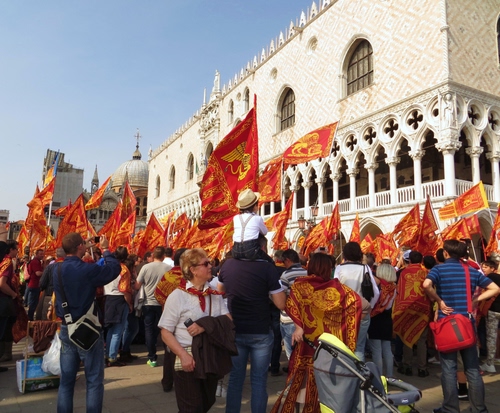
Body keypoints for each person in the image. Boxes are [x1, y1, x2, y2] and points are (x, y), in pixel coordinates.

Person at [272, 253, 365, 413]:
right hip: (329, 348)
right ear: (328, 269)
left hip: (307, 344)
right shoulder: (339, 289)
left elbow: (291, 305)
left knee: (301, 383)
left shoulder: (300, 285)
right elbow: (359, 303)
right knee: (325, 380)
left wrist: (299, 326)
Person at [423, 239, 500, 413]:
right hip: (467, 324)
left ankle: (450, 408)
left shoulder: (438, 269)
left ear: (446, 253)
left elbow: (426, 285)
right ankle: (479, 408)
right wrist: (475, 300)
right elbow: (495, 288)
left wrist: (439, 300)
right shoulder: (471, 271)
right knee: (472, 369)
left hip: (447, 324)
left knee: (449, 369)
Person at [159, 248, 234, 413]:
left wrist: (204, 325)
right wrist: (183, 355)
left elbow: (228, 321)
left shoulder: (213, 294)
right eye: (206, 264)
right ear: (192, 270)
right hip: (188, 356)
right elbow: (165, 332)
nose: (210, 266)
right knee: (191, 407)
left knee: (207, 401)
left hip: (209, 355)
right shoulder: (177, 296)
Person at [52, 233, 121, 413]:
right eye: (83, 244)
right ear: (80, 247)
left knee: (66, 381)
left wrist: (85, 246)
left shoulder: (56, 269)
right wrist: (105, 249)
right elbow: (114, 269)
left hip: (67, 327)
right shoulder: (86, 270)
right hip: (87, 328)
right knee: (94, 380)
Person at [218, 234, 286, 413]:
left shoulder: (228, 265)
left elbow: (220, 290)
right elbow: (281, 304)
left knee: (235, 378)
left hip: (236, 329)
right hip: (260, 330)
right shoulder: (267, 268)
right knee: (258, 380)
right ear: (261, 248)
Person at [334, 241, 379, 361]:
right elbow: (375, 292)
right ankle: (359, 372)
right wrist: (369, 307)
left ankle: (346, 370)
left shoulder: (339, 268)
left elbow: (334, 291)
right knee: (359, 347)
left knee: (343, 346)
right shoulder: (365, 268)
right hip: (362, 311)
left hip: (344, 312)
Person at [155, 247, 188, 392]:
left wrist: (166, 305)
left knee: (169, 351)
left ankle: (167, 382)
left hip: (168, 317)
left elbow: (158, 294)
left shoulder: (168, 275)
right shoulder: (188, 276)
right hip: (185, 319)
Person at [394, 250, 432, 377]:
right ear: (421, 260)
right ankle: (422, 368)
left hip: (407, 309)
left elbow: (399, 291)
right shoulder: (425, 273)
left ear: (409, 260)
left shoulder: (403, 272)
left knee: (407, 337)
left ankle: (407, 366)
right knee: (422, 340)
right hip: (423, 309)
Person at [135, 246, 171, 367]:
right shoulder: (168, 268)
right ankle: (168, 355)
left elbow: (137, 285)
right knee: (165, 329)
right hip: (164, 304)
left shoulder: (146, 267)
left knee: (149, 330)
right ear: (163, 256)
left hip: (148, 303)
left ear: (153, 255)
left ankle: (152, 357)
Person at [103, 246, 133, 367]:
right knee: (118, 330)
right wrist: (129, 304)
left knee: (110, 329)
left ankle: (108, 355)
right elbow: (125, 290)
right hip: (119, 299)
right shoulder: (124, 269)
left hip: (108, 298)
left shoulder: (108, 267)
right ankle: (112, 357)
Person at [368, 263, 397, 379]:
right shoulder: (393, 287)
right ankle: (390, 375)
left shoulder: (378, 286)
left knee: (376, 351)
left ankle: (379, 377)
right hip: (387, 319)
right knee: (387, 350)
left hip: (375, 319)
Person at [279, 248, 307, 362]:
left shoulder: (285, 275)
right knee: (303, 353)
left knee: (291, 354)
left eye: (283, 262)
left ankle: (293, 372)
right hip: (304, 319)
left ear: (288, 260)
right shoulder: (307, 273)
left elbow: (280, 295)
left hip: (289, 318)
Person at [231, 189, 270, 262]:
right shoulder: (257, 218)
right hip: (251, 251)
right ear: (254, 206)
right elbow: (265, 232)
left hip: (236, 251)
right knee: (270, 261)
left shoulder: (235, 218)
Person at [0, 240, 19, 371]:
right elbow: (2, 284)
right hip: (4, 300)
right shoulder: (7, 262)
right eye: (16, 249)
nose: (17, 251)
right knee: (4, 328)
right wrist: (13, 294)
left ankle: (6, 354)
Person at [479, 260, 500, 374]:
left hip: (493, 310)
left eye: (486, 267)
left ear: (493, 268)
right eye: (483, 267)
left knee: (491, 336)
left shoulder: (491, 277)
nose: (483, 269)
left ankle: (490, 363)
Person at [37, 247, 66, 321]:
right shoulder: (70, 266)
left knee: (48, 322)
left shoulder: (49, 267)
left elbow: (42, 283)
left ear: (56, 255)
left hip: (49, 296)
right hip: (66, 298)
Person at [26, 249, 44, 320]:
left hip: (35, 284)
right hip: (34, 285)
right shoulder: (35, 262)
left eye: (42, 254)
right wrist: (46, 272)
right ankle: (29, 318)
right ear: (36, 254)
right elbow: (38, 273)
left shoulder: (38, 262)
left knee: (34, 303)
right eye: (40, 254)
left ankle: (30, 317)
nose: (42, 255)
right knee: (33, 304)